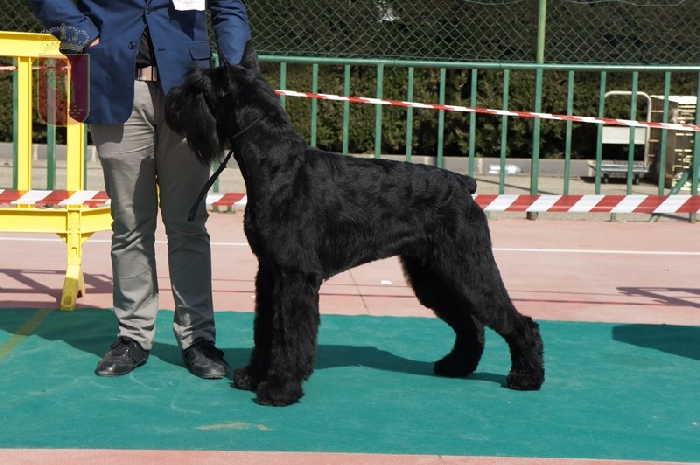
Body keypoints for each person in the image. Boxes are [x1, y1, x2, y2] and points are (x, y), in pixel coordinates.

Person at [28, 0, 259, 379]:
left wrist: (237, 75)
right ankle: (132, 336)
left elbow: (229, 7)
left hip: (190, 91)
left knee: (188, 224)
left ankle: (198, 339)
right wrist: (82, 36)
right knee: (129, 225)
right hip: (113, 83)